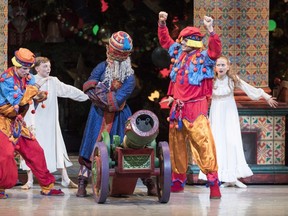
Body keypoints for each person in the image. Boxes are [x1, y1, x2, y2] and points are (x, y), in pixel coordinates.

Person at [76, 31, 156, 197]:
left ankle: (148, 181)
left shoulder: (130, 78)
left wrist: (101, 94)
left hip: (120, 117)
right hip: (98, 116)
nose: (113, 58)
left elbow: (117, 102)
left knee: (129, 147)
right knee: (91, 145)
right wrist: (100, 94)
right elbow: (89, 86)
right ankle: (82, 182)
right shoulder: (101, 67)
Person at [158, 11, 222, 199]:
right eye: (182, 40)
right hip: (177, 108)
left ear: (193, 42)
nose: (181, 43)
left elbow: (215, 51)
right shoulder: (178, 53)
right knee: (176, 145)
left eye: (185, 41)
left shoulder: (204, 58)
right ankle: (178, 180)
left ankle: (213, 183)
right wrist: (162, 24)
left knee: (204, 145)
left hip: (196, 108)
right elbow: (166, 42)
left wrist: (211, 30)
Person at [198, 56, 278, 188]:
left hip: (229, 112)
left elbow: (249, 89)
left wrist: (266, 96)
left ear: (228, 66)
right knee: (217, 141)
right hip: (216, 112)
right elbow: (199, 94)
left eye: (223, 65)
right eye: (219, 65)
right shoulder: (211, 80)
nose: (221, 67)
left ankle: (232, 177)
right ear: (215, 67)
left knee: (232, 141)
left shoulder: (233, 79)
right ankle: (218, 176)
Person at [0, 48, 64, 199]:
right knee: (5, 154)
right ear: (15, 65)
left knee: (36, 151)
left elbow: (28, 102)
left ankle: (47, 186)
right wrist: (32, 91)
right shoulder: (5, 79)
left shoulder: (29, 79)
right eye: (23, 68)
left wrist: (38, 97)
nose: (26, 72)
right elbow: (19, 101)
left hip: (17, 122)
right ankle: (1, 187)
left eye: (28, 69)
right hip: (2, 121)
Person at [19, 56, 89, 190]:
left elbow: (68, 90)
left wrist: (86, 96)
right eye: (45, 66)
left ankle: (65, 179)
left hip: (50, 121)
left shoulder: (53, 81)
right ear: (37, 68)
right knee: (32, 147)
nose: (48, 69)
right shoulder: (30, 80)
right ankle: (29, 180)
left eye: (49, 66)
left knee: (57, 145)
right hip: (34, 119)